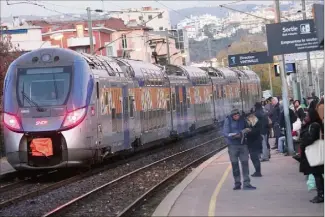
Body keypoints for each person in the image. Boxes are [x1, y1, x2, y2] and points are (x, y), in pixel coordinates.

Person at [223, 109, 256, 190]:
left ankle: (247, 183)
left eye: (237, 115)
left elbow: (252, 126)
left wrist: (245, 131)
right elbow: (225, 133)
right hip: (232, 145)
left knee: (245, 164)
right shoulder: (228, 121)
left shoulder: (243, 119)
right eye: (235, 116)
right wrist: (233, 136)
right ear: (232, 116)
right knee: (235, 165)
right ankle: (237, 183)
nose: (236, 117)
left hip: (243, 145)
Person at [299, 109, 324, 203]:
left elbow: (310, 138)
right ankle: (320, 193)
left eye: (307, 116)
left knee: (317, 174)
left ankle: (321, 194)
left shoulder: (314, 125)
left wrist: (303, 143)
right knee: (316, 174)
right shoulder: (312, 125)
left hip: (314, 153)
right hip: (313, 153)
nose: (306, 118)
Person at [244, 112, 263, 177]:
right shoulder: (255, 124)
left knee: (255, 158)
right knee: (254, 158)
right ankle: (257, 171)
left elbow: (255, 132)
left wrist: (249, 131)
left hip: (254, 143)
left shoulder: (256, 124)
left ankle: (258, 172)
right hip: (254, 143)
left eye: (248, 120)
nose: (247, 121)